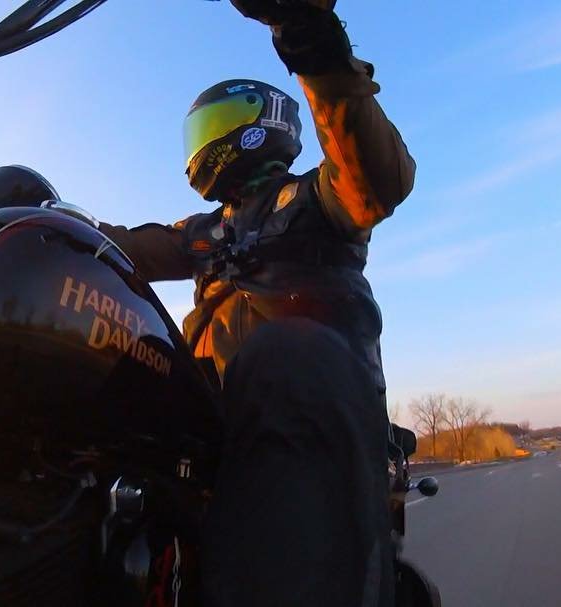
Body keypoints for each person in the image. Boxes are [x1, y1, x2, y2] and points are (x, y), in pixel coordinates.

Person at [99, 1, 415, 604]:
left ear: (260, 124)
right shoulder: (200, 230)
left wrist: (309, 37)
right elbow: (113, 248)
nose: (200, 145)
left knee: (282, 351)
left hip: (312, 409)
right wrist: (3, 210)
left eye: (212, 125)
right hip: (211, 423)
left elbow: (374, 177)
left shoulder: (316, 199)